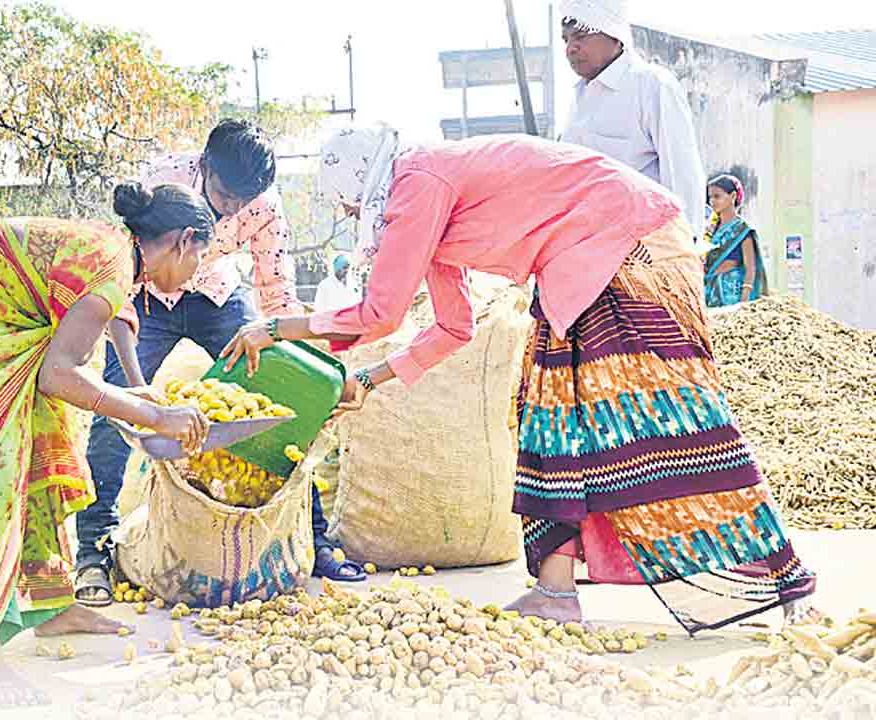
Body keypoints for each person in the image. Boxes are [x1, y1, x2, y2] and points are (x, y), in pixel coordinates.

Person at [221, 124, 818, 634]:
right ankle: (556, 591)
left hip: (623, 243)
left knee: (666, 420)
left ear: (362, 184)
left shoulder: (418, 181)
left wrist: (276, 329)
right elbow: (453, 327)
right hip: (577, 262)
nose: (354, 217)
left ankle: (783, 573)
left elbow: (382, 313)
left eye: (351, 206)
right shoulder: (426, 201)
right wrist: (370, 380)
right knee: (550, 420)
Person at [0, 182, 213, 707]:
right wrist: (154, 415)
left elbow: (112, 320)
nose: (198, 271)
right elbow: (60, 374)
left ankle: (52, 607)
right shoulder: (111, 264)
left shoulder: (116, 254)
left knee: (36, 450)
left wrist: (137, 393)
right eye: (201, 256)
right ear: (184, 241)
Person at [74, 119, 365, 607]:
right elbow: (124, 267)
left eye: (241, 203)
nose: (231, 209)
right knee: (115, 409)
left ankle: (314, 539)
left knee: (281, 401)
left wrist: (301, 365)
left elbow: (276, 294)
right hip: (147, 299)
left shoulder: (264, 209)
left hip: (215, 298)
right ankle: (93, 551)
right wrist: (137, 386)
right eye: (224, 195)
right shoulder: (163, 176)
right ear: (204, 166)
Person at [557, 0, 709, 238]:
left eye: (580, 36)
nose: (570, 49)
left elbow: (682, 174)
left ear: (614, 34)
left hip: (644, 251)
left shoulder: (651, 85)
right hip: (587, 252)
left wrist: (686, 254)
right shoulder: (578, 100)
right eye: (566, 40)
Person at [704, 174, 767, 307]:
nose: (712, 202)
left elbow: (750, 268)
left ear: (732, 196)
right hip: (709, 292)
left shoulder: (742, 230)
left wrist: (744, 301)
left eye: (717, 196)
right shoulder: (710, 229)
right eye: (710, 197)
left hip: (731, 294)